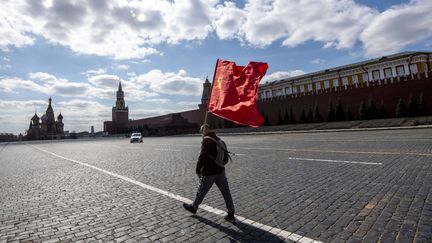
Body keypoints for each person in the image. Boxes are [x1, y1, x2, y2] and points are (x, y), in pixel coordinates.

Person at [183, 124, 236, 224]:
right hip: (220, 170)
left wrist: (198, 170)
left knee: (201, 191)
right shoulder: (217, 138)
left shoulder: (207, 140)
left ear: (204, 131)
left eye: (201, 131)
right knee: (226, 193)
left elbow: (202, 157)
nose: (201, 133)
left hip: (209, 172)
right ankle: (231, 214)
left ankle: (194, 207)